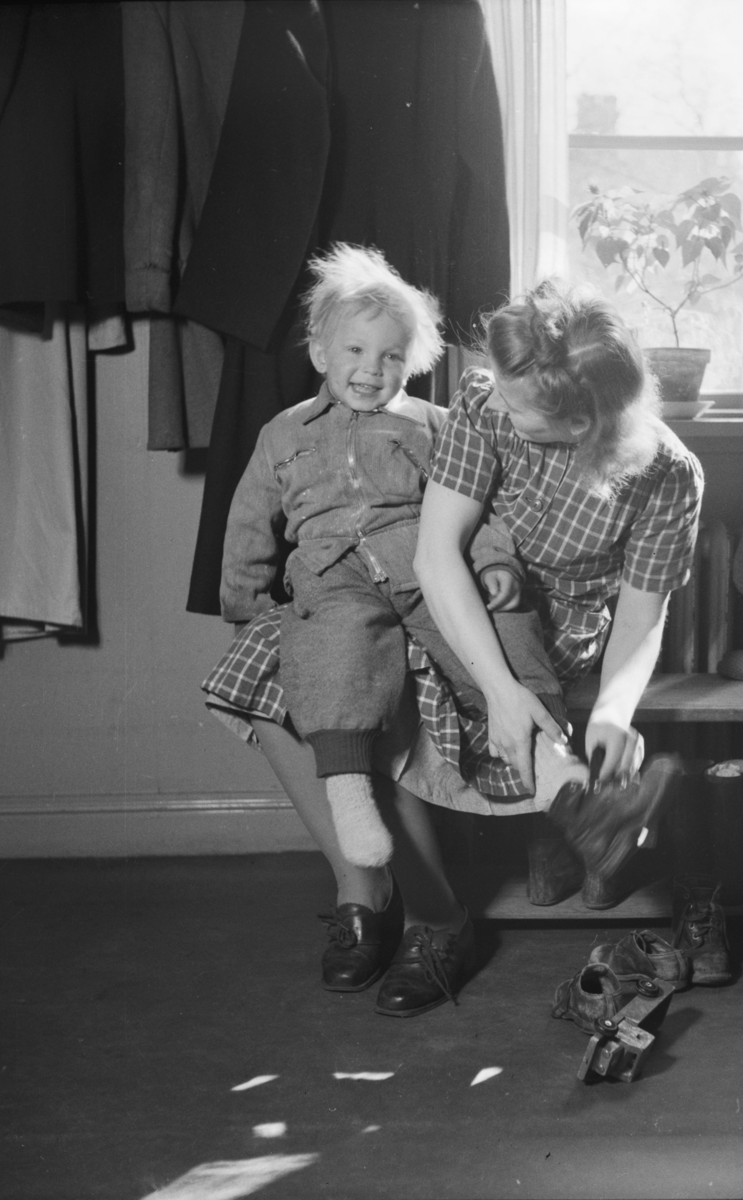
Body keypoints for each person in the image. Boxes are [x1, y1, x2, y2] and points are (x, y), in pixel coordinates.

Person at [203, 280, 713, 1019]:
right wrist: (498, 692)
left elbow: (640, 616)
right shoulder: (484, 401)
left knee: (393, 679)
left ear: (581, 422)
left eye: (518, 407)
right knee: (289, 657)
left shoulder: (666, 476)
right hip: (445, 586)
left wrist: (611, 711)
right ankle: (365, 888)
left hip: (541, 629)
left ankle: (436, 918)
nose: (493, 404)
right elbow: (437, 552)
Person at [218, 244, 579, 871]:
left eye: (390, 355)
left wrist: (496, 565)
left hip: (422, 562)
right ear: (320, 353)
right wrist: (244, 603)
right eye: (355, 350)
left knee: (505, 626)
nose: (371, 369)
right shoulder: (282, 433)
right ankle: (349, 793)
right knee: (335, 645)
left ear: (412, 361)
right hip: (332, 572)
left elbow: (474, 507)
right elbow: (249, 522)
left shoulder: (436, 425)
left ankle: (551, 759)